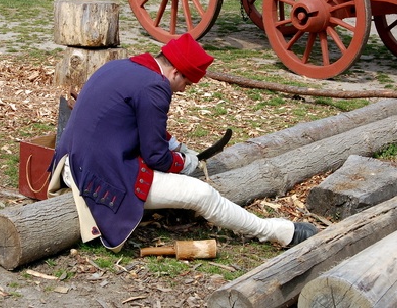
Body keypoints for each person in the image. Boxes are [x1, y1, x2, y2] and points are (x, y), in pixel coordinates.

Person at [47, 33, 317, 253]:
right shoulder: (155, 87)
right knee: (203, 195)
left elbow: (136, 122)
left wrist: (175, 144)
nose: (186, 87)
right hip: (97, 177)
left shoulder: (124, 66)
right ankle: (276, 232)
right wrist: (184, 163)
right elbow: (155, 157)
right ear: (175, 72)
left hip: (72, 162)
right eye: (187, 81)